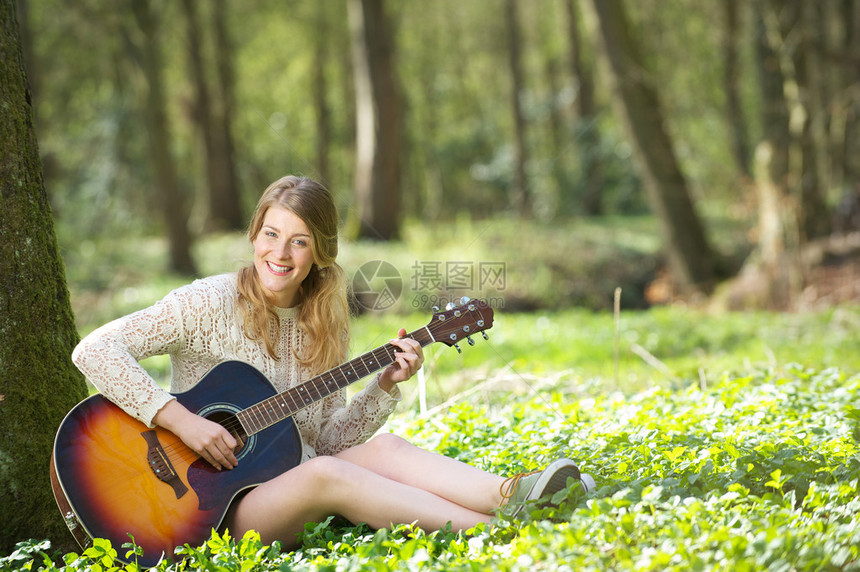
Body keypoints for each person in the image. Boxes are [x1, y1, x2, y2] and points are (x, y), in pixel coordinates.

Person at [72, 175, 594, 550]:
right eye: (272, 235)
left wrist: (385, 386)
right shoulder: (207, 303)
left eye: (299, 241)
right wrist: (182, 421)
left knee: (382, 447)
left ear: (321, 252)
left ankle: (511, 496)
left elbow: (326, 442)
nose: (281, 253)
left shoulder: (327, 324)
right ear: (255, 235)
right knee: (324, 476)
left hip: (284, 483)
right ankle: (494, 534)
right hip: (206, 509)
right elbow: (93, 349)